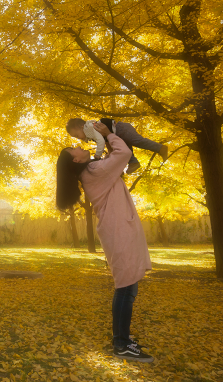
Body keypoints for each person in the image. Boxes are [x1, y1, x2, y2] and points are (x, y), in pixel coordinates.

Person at [56, 121, 154, 362]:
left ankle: (122, 339)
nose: (78, 146)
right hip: (119, 230)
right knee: (125, 288)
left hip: (119, 228)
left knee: (128, 287)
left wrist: (106, 140)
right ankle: (120, 344)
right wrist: (108, 133)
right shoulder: (95, 171)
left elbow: (116, 159)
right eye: (73, 148)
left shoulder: (94, 169)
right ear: (77, 161)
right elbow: (124, 154)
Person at [66, 117, 168, 173]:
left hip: (121, 129)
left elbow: (101, 142)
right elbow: (106, 141)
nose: (78, 138)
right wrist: (110, 152)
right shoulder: (90, 134)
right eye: (75, 137)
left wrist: (98, 155)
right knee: (123, 148)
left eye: (77, 134)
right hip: (118, 134)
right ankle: (133, 163)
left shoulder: (91, 128)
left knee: (138, 141)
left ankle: (161, 148)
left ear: (81, 126)